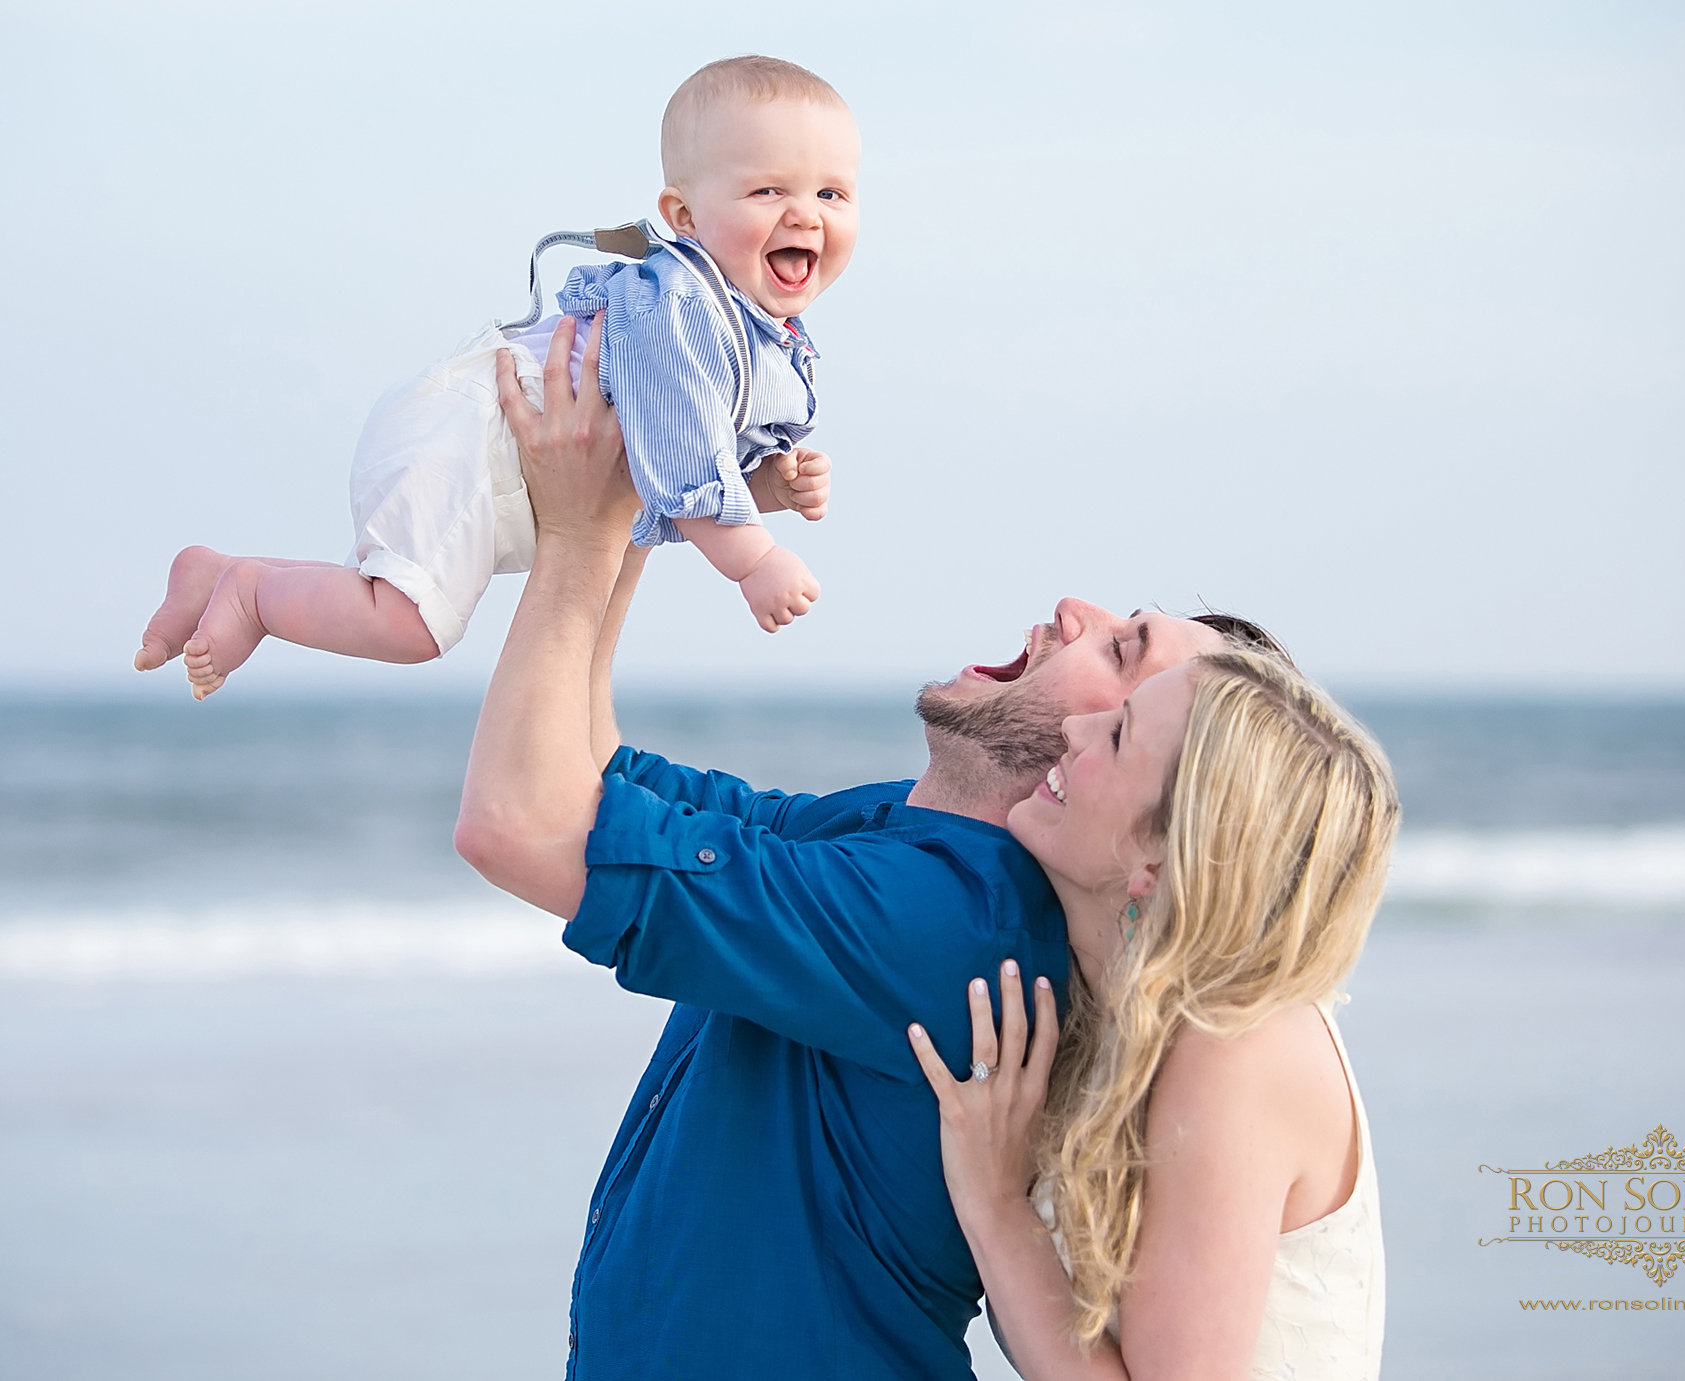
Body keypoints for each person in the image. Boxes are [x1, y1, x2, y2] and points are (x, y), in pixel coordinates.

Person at [451, 310, 1269, 1378]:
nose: (1075, 607)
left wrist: (576, 535)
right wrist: (651, 489)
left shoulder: (952, 921)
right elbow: (587, 778)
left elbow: (515, 823)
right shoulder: (911, 835)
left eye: (1121, 656)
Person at [133, 55, 852, 699]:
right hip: (476, 440)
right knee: (409, 625)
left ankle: (217, 573)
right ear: (684, 216)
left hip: (509, 456)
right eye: (767, 191)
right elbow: (685, 453)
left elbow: (678, 463)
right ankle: (256, 596)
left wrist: (768, 487)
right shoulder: (685, 306)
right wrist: (752, 559)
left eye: (831, 194)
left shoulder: (753, 326)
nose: (805, 215)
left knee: (391, 597)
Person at [907, 650, 1399, 1380]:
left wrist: (996, 1200)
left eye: (1116, 736)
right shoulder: (1121, 1012)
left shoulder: (1236, 1049)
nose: (1074, 726)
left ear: (1160, 860)